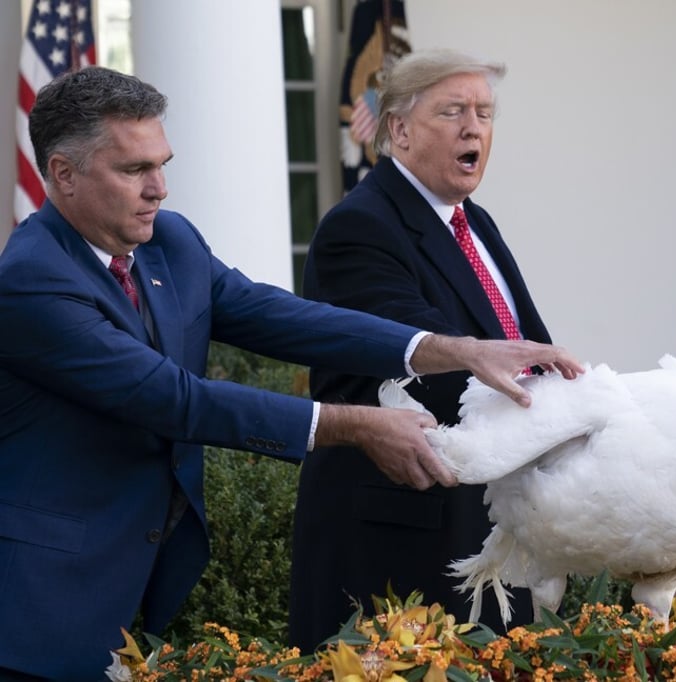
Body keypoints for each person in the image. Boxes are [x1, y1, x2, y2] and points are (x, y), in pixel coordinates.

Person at [0, 65, 582, 681]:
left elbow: (277, 315)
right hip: (39, 606)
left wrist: (449, 348)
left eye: (162, 163)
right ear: (63, 174)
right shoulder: (33, 281)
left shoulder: (167, 242)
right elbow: (174, 400)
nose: (160, 189)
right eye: (135, 170)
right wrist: (356, 424)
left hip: (131, 584)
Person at [288, 49, 552, 650]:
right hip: (399, 541)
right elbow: (430, 370)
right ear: (399, 129)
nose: (474, 129)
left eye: (485, 113)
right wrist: (560, 413)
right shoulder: (360, 228)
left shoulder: (473, 221)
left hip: (484, 528)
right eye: (453, 111)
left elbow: (520, 346)